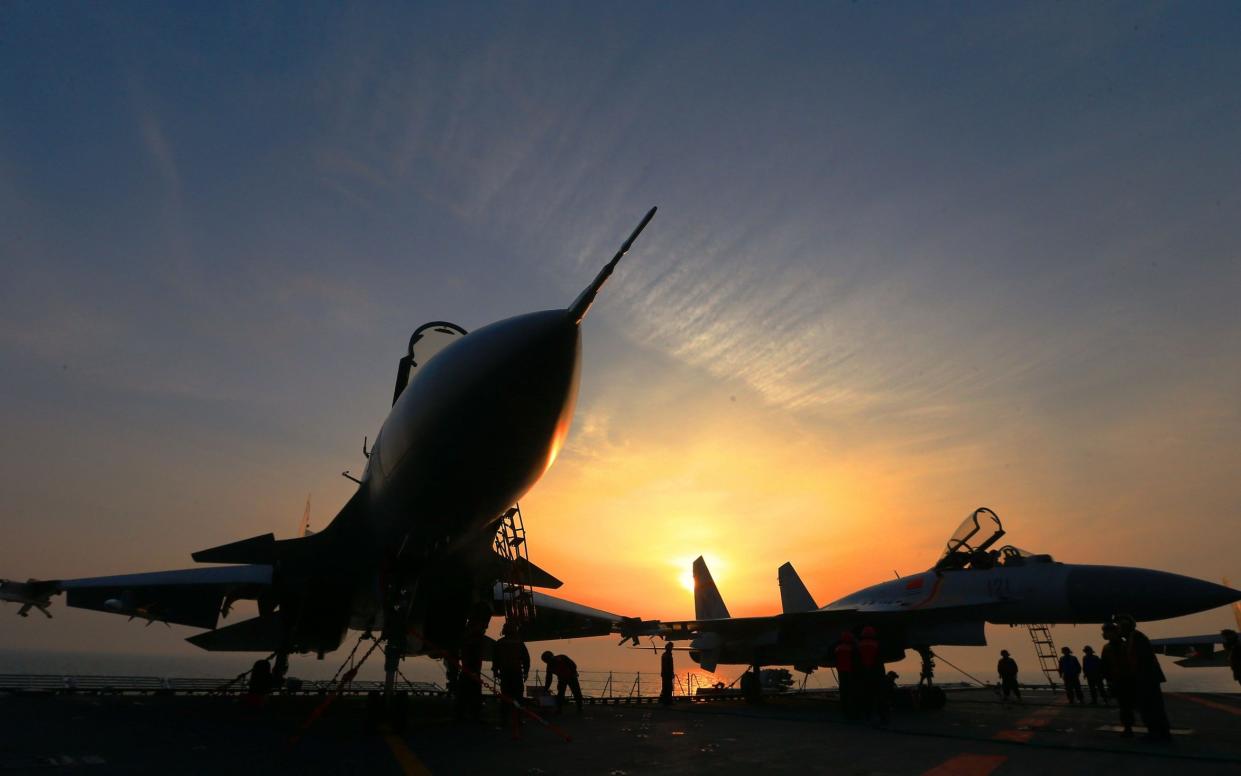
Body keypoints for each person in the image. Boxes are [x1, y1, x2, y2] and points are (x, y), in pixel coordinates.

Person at [1118, 615, 1172, 741]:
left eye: (1120, 627)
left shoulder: (1137, 638)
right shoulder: (1133, 638)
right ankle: (1160, 732)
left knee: (1150, 706)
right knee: (1150, 706)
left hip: (1146, 679)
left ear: (1125, 627)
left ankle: (1157, 733)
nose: (1118, 630)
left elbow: (1141, 661)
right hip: (1145, 678)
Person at [492, 622, 531, 736]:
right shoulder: (519, 643)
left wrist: (495, 671)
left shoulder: (500, 643)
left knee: (505, 697)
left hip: (505, 674)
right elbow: (526, 659)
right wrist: (526, 672)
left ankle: (504, 721)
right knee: (518, 698)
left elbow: (495, 659)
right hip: (517, 673)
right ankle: (519, 720)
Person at [1100, 620, 1136, 737]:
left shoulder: (1125, 646)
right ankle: (1128, 727)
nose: (1106, 634)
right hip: (1117, 681)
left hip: (1127, 680)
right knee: (1124, 706)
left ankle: (1129, 727)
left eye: (1107, 631)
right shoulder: (1108, 648)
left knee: (1127, 705)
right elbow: (1104, 666)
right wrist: (1109, 680)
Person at [856, 626, 888, 723]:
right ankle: (883, 717)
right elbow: (881, 658)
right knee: (880, 696)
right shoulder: (877, 644)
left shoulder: (859, 645)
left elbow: (857, 660)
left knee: (867, 695)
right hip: (877, 673)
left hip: (864, 674)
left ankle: (868, 716)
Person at [834, 631, 859, 720]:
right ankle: (852, 711)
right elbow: (856, 659)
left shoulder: (838, 648)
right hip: (850, 671)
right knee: (851, 691)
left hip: (841, 671)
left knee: (843, 691)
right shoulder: (852, 648)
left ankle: (844, 710)